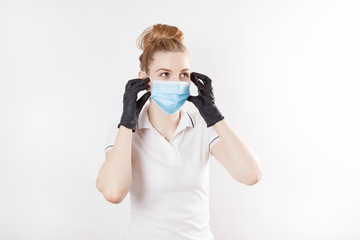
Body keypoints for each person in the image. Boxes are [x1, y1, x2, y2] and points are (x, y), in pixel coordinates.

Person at [96, 23, 263, 240]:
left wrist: (215, 117)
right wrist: (127, 124)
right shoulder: (124, 133)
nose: (176, 82)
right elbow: (113, 192)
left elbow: (251, 175)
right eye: (164, 74)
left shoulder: (202, 127)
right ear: (144, 79)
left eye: (183, 74)